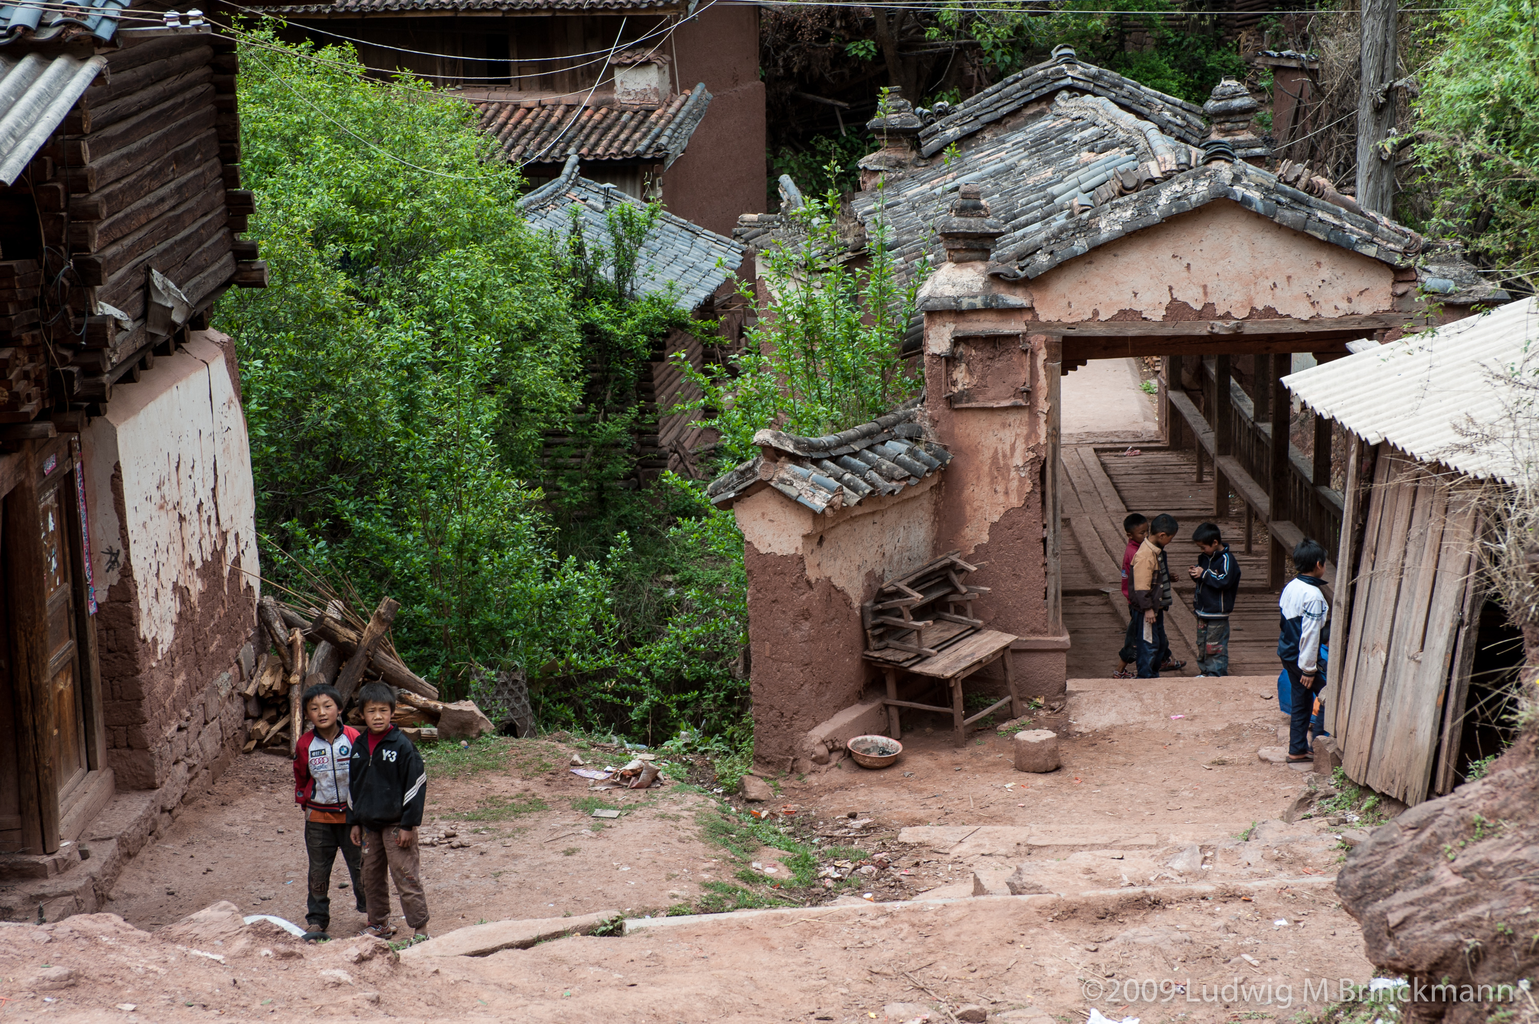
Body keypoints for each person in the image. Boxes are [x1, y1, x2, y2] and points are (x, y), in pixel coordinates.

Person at [348, 682, 430, 941]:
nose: (378, 716)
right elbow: (353, 786)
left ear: (392, 712)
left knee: (405, 875)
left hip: (397, 825)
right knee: (370, 876)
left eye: (383, 710)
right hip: (369, 826)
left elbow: (416, 785)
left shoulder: (402, 745)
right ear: (362, 714)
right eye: (371, 711)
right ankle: (378, 923)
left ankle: (420, 929)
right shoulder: (359, 746)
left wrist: (408, 824)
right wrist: (355, 821)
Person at [293, 684, 366, 940]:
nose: (321, 712)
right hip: (318, 820)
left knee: (362, 866)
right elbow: (301, 778)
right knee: (318, 870)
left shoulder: (354, 737)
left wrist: (362, 811)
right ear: (307, 714)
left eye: (327, 706)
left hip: (352, 819)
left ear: (340, 709)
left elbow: (363, 775)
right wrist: (306, 804)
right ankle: (316, 919)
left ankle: (374, 914)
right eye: (314, 708)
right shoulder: (305, 744)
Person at [1277, 538, 1330, 764]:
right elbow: (1310, 634)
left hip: (1287, 653)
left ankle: (1297, 749)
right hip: (1302, 658)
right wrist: (1309, 669)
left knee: (1301, 700)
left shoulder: (1291, 586)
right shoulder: (1314, 596)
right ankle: (1318, 746)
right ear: (1319, 564)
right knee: (1329, 696)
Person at [1129, 513, 1183, 678]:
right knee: (1148, 644)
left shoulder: (1157, 552)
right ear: (1162, 535)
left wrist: (1167, 577)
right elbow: (1141, 587)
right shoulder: (1145, 556)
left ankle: (1152, 674)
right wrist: (1147, 609)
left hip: (1156, 608)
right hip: (1148, 610)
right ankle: (1145, 676)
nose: (1170, 542)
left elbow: (1154, 578)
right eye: (1170, 538)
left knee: (1157, 643)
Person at [1188, 522, 1241, 677]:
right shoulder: (1205, 558)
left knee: (1215, 645)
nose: (1202, 550)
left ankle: (1216, 674)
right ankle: (1205, 671)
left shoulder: (1227, 559)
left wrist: (1204, 574)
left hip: (1218, 612)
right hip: (1203, 610)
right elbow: (1204, 580)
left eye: (1204, 547)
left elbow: (1224, 581)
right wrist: (1195, 574)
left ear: (1215, 543)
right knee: (1202, 643)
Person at [1112, 513, 1149, 679]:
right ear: (1130, 535)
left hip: (1136, 599)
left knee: (1152, 632)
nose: (1146, 536)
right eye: (1142, 533)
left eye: (1147, 531)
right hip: (1137, 601)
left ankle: (1164, 658)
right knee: (1135, 635)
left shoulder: (1138, 549)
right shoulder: (1135, 553)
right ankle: (1119, 669)